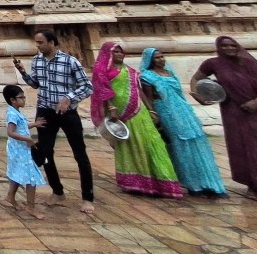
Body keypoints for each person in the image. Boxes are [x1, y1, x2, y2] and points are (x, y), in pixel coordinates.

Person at [13, 29, 96, 213]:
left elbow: (87, 86)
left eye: (40, 42)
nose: (38, 46)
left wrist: (69, 97)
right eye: (36, 42)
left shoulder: (70, 61)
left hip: (67, 112)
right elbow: (36, 84)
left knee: (79, 154)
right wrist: (23, 72)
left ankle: (87, 197)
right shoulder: (37, 61)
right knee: (45, 151)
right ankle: (57, 191)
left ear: (51, 42)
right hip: (45, 110)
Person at [91, 42, 182, 198]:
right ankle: (135, 182)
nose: (120, 54)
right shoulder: (102, 70)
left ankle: (162, 181)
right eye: (116, 52)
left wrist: (150, 109)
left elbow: (138, 89)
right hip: (120, 112)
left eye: (121, 51)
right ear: (108, 54)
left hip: (139, 110)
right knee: (130, 145)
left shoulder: (129, 70)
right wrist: (111, 107)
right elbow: (102, 90)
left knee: (153, 141)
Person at [139, 47, 225, 197]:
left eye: (162, 56)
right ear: (150, 60)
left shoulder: (170, 73)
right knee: (180, 143)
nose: (161, 60)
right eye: (156, 58)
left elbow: (179, 93)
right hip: (166, 111)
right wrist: (153, 115)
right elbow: (149, 98)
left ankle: (208, 181)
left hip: (183, 110)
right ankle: (192, 184)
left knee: (197, 140)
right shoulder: (147, 76)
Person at [191, 35, 257, 198]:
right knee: (240, 147)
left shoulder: (250, 64)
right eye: (224, 46)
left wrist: (255, 102)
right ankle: (252, 184)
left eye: (232, 45)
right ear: (219, 48)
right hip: (232, 111)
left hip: (254, 109)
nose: (229, 48)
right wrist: (197, 95)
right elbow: (196, 78)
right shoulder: (213, 64)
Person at [2, 85, 47, 219]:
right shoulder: (12, 113)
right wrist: (27, 139)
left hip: (20, 149)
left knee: (18, 173)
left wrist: (34, 124)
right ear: (12, 100)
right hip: (20, 150)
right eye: (21, 97)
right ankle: (30, 207)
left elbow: (21, 126)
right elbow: (10, 132)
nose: (24, 100)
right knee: (31, 177)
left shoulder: (16, 112)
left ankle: (10, 197)